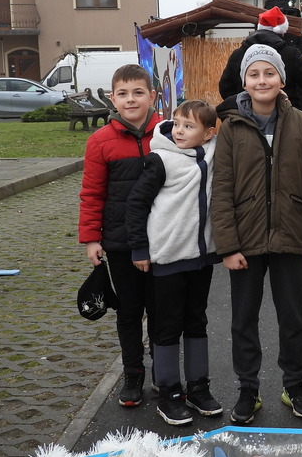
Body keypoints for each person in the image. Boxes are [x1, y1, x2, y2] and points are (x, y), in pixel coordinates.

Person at [212, 44, 302, 424]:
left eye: (269, 73)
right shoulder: (230, 128)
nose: (262, 80)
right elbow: (222, 189)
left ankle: (294, 383)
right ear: (244, 80)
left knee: (292, 317)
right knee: (243, 318)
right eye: (254, 74)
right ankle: (248, 387)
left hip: (292, 237)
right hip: (245, 241)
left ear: (282, 79)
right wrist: (227, 246)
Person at [126, 100, 222, 426]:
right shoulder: (160, 159)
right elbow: (137, 204)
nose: (180, 131)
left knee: (197, 321)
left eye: (189, 126)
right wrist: (139, 249)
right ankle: (168, 392)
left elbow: (230, 106)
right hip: (167, 257)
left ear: (208, 133)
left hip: (201, 258)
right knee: (167, 326)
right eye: (177, 123)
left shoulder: (213, 153)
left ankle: (198, 387)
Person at [78, 64, 160, 407]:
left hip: (163, 239)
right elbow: (92, 193)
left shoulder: (168, 133)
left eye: (138, 92)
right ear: (113, 98)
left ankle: (164, 372)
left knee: (161, 310)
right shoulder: (100, 141)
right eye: (123, 94)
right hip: (120, 240)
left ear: (152, 96)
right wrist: (92, 239)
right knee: (129, 310)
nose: (131, 100)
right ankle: (132, 373)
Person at [218, 6, 302, 113]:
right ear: (282, 31)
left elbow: (225, 87)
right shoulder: (290, 54)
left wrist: (242, 104)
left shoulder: (238, 54)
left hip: (244, 117)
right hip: (285, 116)